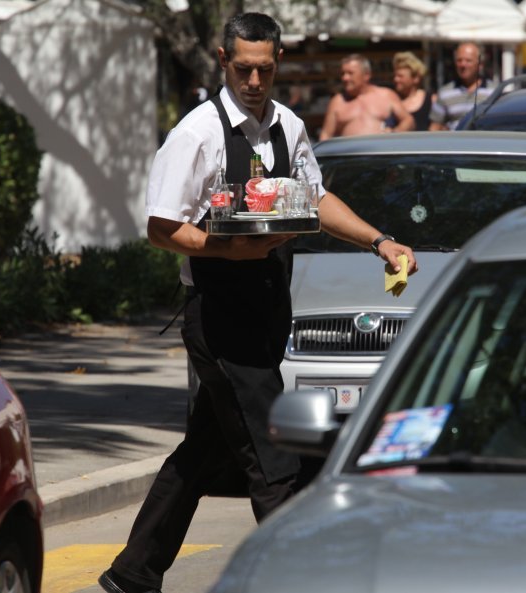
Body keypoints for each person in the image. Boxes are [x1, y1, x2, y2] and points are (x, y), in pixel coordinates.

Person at [98, 13, 418, 593]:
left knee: (207, 448)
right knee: (276, 457)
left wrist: (379, 240)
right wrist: (228, 253)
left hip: (270, 303)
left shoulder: (288, 126)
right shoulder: (194, 134)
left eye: (264, 69)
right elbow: (161, 228)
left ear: (277, 64)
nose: (254, 80)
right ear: (223, 61)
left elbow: (316, 198)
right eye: (243, 68)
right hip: (218, 313)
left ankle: (133, 573)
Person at [319, 53, 414, 140]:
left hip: (382, 154)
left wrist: (394, 133)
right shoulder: (337, 101)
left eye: (350, 73)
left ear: (366, 75)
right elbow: (326, 134)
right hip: (350, 156)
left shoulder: (386, 95)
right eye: (343, 73)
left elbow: (408, 120)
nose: (345, 78)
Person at [429, 41, 492, 131]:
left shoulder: (493, 92)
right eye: (459, 60)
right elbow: (435, 127)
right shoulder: (445, 93)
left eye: (468, 60)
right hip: (453, 144)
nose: (463, 65)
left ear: (480, 64)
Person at [392, 51, 433, 131]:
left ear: (416, 78)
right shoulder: (393, 100)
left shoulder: (431, 100)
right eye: (395, 75)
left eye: (400, 76)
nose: (395, 79)